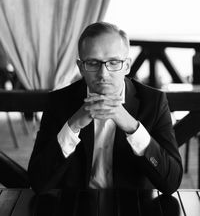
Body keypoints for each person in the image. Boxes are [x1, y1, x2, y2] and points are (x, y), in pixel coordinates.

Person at [28, 22, 183, 194]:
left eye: (114, 62)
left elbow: (171, 182)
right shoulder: (59, 102)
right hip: (75, 206)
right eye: (93, 63)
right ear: (81, 68)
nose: (103, 74)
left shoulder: (154, 102)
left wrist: (133, 127)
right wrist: (72, 126)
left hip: (134, 207)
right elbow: (38, 182)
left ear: (127, 65)